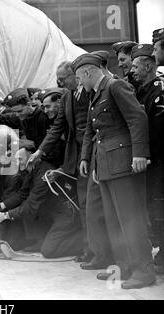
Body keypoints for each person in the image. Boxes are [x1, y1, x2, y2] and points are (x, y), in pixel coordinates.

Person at [75, 53, 156, 289]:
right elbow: (95, 131)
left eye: (80, 77)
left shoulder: (115, 86)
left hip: (123, 163)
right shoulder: (97, 94)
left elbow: (137, 118)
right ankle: (124, 267)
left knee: (130, 220)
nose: (80, 83)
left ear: (88, 72)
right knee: (114, 221)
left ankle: (144, 271)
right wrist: (90, 162)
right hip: (108, 165)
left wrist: (140, 153)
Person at [27, 61, 101, 263]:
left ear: (73, 75)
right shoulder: (67, 97)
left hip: (96, 155)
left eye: (62, 78)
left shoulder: (91, 91)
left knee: (95, 206)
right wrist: (40, 152)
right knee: (84, 205)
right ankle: (90, 250)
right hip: (77, 160)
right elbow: (57, 128)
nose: (59, 82)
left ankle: (100, 251)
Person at [0, 145, 83, 258]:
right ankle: (42, 239)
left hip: (66, 215)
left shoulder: (43, 173)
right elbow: (22, 194)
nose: (18, 163)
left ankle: (86, 241)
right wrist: (1, 206)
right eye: (16, 160)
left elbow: (30, 206)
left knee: (48, 251)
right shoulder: (32, 170)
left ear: (33, 157)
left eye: (20, 159)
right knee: (27, 211)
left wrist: (5, 216)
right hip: (50, 213)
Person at [131, 43, 164, 274]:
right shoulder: (141, 90)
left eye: (136, 66)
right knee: (153, 207)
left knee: (159, 207)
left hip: (159, 161)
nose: (132, 70)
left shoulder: (158, 91)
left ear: (149, 66)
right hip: (152, 162)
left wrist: (147, 154)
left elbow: (159, 129)